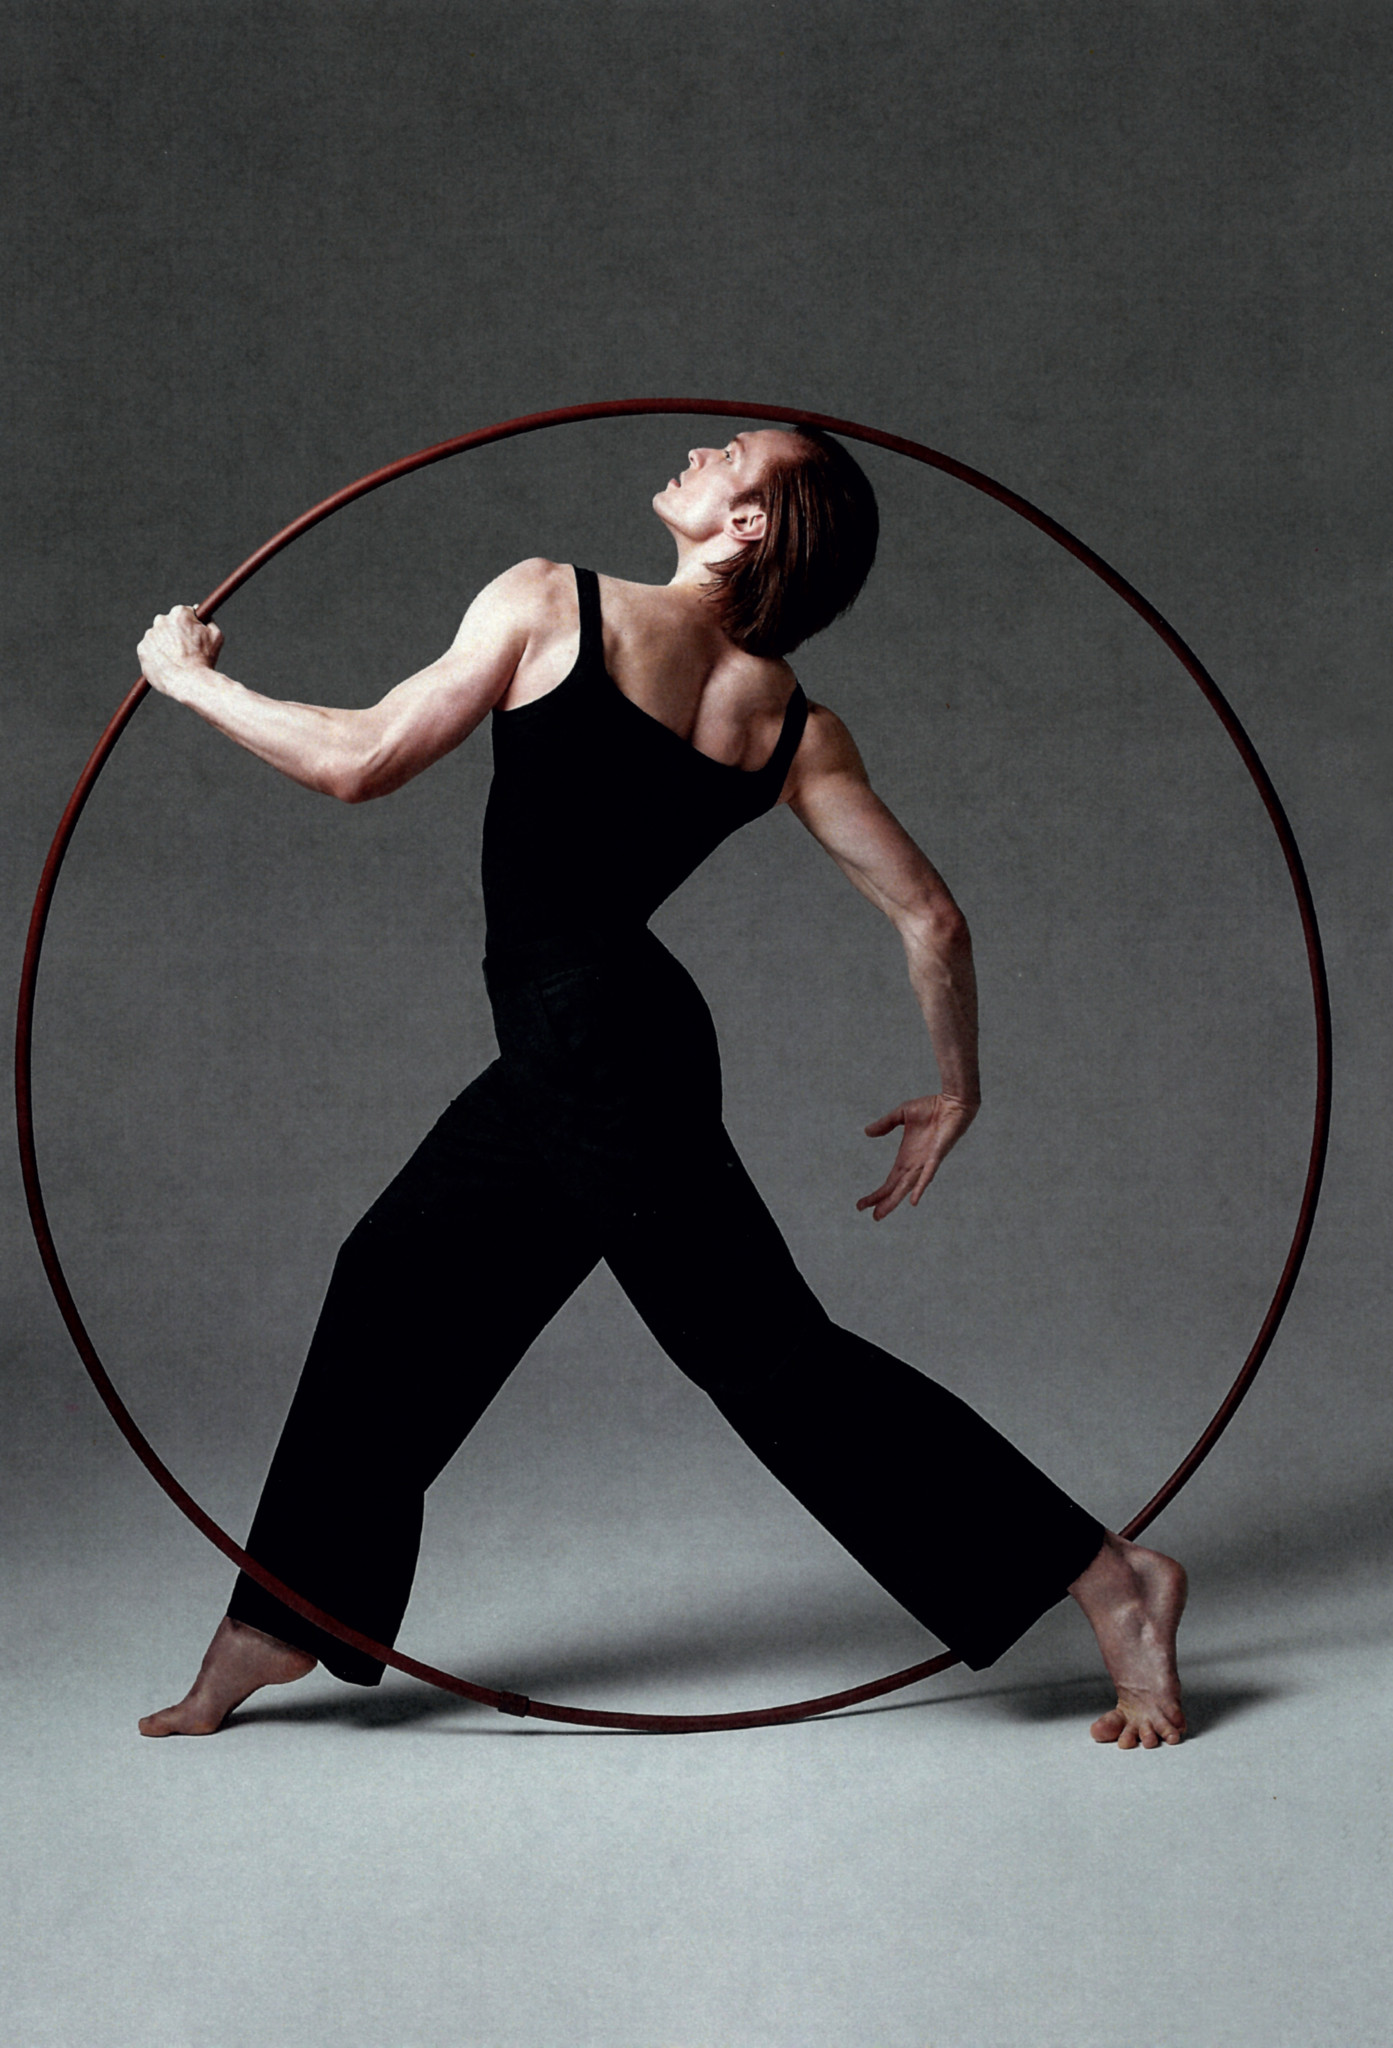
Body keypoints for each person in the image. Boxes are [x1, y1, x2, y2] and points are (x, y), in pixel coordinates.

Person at [135, 425, 1186, 1749]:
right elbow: (932, 920)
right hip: (604, 1036)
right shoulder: (794, 723)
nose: (700, 450)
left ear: (749, 526)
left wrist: (191, 683)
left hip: (594, 1048)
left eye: (733, 455)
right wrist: (956, 1084)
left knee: (763, 1358)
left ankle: (1109, 1577)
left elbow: (361, 759)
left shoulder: (548, 601)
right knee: (393, 1276)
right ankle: (280, 1618)